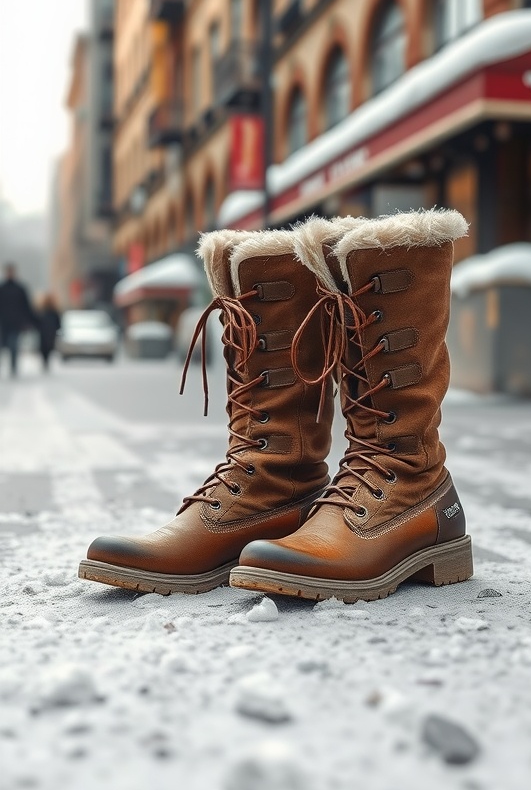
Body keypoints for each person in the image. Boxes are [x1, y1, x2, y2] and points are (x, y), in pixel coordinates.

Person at [79, 210, 473, 606]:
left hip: (411, 495)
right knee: (265, 423)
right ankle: (276, 483)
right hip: (291, 498)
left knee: (388, 419)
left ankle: (410, 481)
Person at [0, 263, 37, 377]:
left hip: (16, 324)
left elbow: (27, 307)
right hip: (3, 323)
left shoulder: (20, 289)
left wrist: (31, 321)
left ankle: (13, 367)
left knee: (13, 345)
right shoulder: (2, 288)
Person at [37, 294, 61, 371]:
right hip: (50, 332)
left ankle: (45, 361)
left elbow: (37, 321)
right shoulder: (53, 312)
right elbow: (58, 323)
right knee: (48, 348)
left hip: (43, 332)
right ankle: (46, 361)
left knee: (44, 348)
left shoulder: (42, 311)